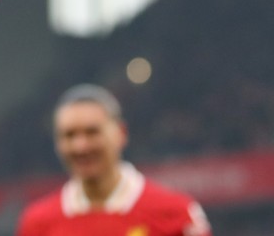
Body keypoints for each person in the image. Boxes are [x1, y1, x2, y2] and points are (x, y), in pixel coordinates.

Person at [16, 84, 211, 236]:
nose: (80, 146)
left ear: (121, 134)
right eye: (69, 135)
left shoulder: (175, 213)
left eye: (92, 132)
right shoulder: (37, 223)